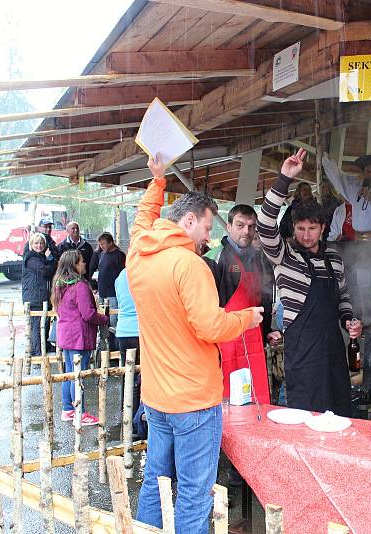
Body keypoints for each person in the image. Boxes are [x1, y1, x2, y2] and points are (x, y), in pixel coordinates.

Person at [128, 156, 262, 532]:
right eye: (206, 226)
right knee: (193, 491)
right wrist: (246, 319)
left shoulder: (140, 252)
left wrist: (158, 182)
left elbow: (142, 219)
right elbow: (210, 326)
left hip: (156, 398)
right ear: (188, 222)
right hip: (194, 402)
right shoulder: (190, 265)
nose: (209, 236)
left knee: (155, 480)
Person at [258, 148, 363, 416]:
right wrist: (284, 179)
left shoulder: (334, 259)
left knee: (338, 414)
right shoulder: (284, 256)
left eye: (312, 229)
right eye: (301, 229)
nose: (306, 235)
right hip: (302, 354)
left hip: (333, 352)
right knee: (304, 416)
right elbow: (265, 225)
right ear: (294, 228)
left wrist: (350, 322)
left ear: (323, 228)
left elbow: (343, 300)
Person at [323, 152, 371, 331]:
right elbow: (339, 178)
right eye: (366, 170)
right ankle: (366, 319)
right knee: (363, 283)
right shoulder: (356, 187)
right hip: (360, 244)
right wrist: (325, 161)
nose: (369, 174)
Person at [205, 204, 273, 404]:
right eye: (240, 225)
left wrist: (268, 329)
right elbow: (205, 305)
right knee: (228, 398)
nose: (246, 231)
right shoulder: (214, 257)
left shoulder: (259, 258)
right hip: (225, 339)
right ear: (229, 227)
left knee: (255, 396)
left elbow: (264, 296)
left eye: (251, 226)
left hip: (253, 337)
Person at [51, 250, 108, 426]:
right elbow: (88, 314)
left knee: (69, 373)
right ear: (74, 265)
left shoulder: (60, 285)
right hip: (79, 336)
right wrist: (103, 319)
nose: (84, 264)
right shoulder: (80, 287)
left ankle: (68, 409)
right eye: (82, 261)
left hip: (66, 335)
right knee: (78, 375)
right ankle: (79, 412)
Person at [21, 232, 56, 357]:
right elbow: (47, 271)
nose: (39, 245)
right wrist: (50, 258)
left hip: (42, 295)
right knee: (37, 325)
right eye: (36, 243)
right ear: (31, 244)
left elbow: (53, 268)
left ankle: (44, 345)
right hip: (34, 297)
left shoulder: (41, 257)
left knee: (44, 322)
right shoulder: (31, 258)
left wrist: (49, 259)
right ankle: (37, 351)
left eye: (41, 243)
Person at [114, 268, 141, 420]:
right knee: (141, 376)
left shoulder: (121, 275)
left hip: (123, 330)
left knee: (128, 373)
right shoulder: (144, 272)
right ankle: (137, 419)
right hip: (140, 329)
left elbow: (119, 299)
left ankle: (126, 413)